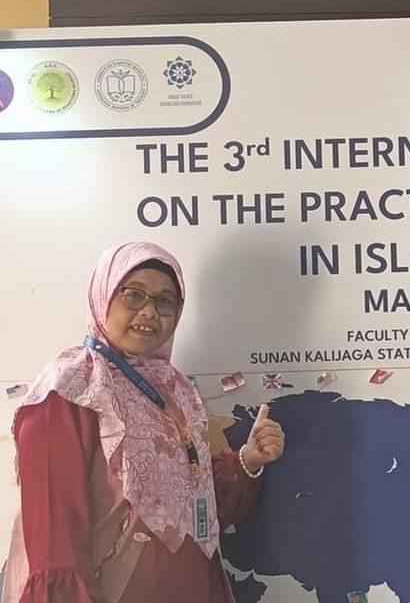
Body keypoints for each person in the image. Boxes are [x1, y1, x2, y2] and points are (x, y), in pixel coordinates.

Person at [2, 242, 285, 603]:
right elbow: (52, 533)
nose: (150, 311)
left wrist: (248, 461)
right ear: (103, 295)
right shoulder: (69, 391)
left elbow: (189, 508)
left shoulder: (177, 391)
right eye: (133, 295)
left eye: (166, 301)